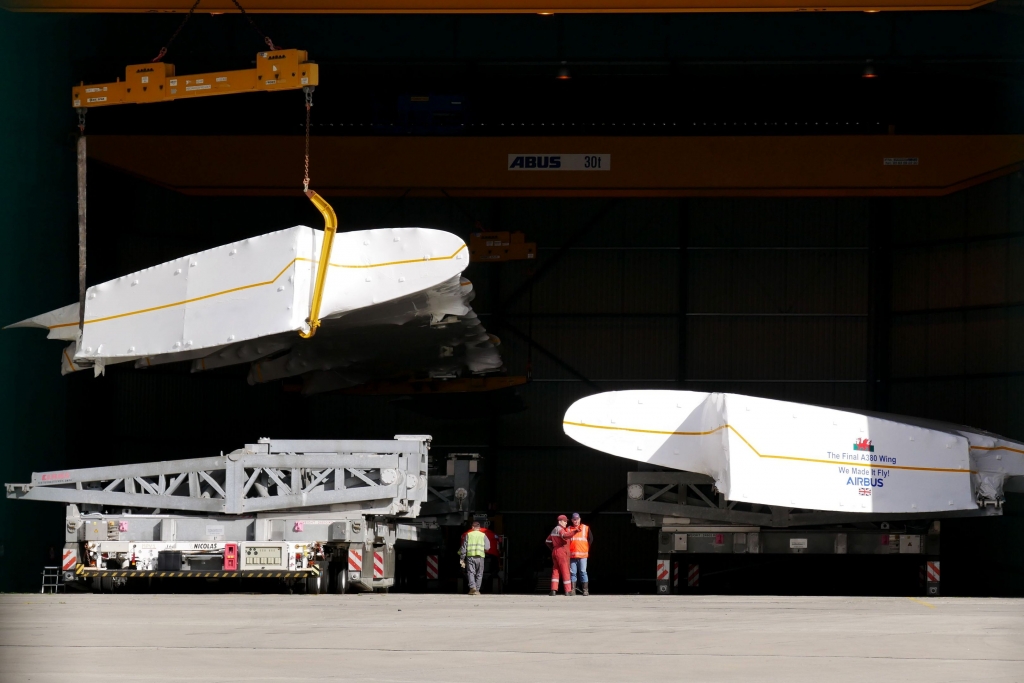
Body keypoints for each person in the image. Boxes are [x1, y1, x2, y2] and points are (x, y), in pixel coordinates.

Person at [546, 514, 575, 596]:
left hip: (555, 551)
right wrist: (574, 532)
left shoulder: (554, 530)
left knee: (556, 570)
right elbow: (565, 536)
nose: (566, 523)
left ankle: (553, 590)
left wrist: (553, 549)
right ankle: (567, 591)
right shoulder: (560, 529)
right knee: (565, 570)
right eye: (565, 521)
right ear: (560, 521)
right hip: (562, 552)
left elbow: (547, 541)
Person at [458, 521, 487, 595]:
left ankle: (472, 587)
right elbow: (487, 547)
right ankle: (477, 590)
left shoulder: (468, 535)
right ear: (479, 528)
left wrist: (462, 558)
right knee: (479, 574)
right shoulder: (483, 535)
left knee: (471, 572)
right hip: (480, 557)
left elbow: (464, 548)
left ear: (472, 527)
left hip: (470, 557)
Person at [568, 512, 593, 596]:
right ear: (572, 520)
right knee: (573, 573)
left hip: (582, 555)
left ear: (580, 519)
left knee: (583, 572)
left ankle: (585, 590)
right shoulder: (568, 529)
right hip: (572, 555)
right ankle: (573, 590)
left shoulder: (585, 528)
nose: (576, 521)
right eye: (574, 519)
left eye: (577, 519)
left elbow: (591, 539)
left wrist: (586, 547)